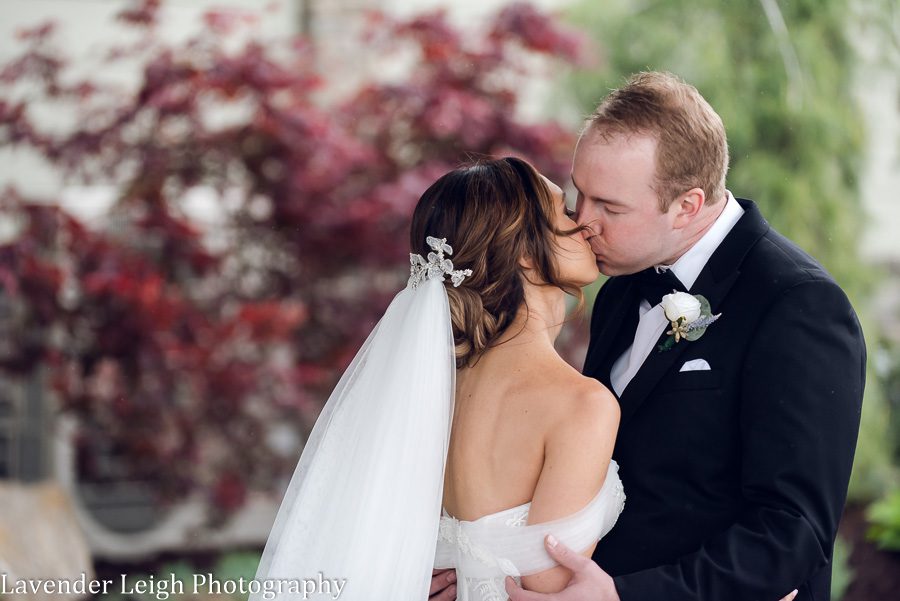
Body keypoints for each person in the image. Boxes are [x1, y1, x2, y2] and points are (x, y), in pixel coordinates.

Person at [495, 72, 865, 601]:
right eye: (581, 194)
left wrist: (626, 596)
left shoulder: (797, 305)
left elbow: (793, 532)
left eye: (610, 207)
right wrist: (480, 561)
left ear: (688, 206)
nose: (582, 222)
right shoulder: (622, 287)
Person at [250, 157, 625, 601]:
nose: (582, 224)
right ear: (524, 254)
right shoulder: (582, 405)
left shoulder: (421, 392)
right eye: (564, 211)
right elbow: (548, 584)